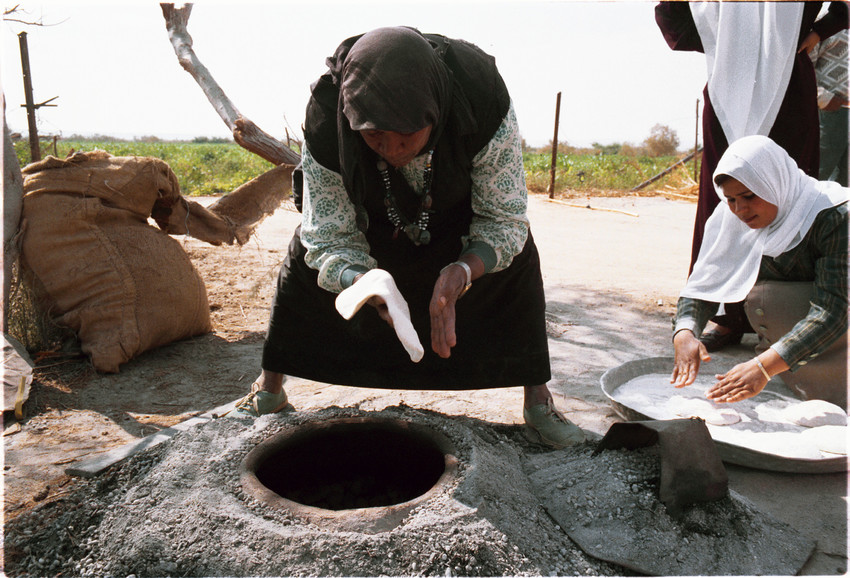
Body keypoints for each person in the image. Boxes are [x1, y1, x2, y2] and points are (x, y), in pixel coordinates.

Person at [226, 27, 585, 448]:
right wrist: (360, 281)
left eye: (406, 136)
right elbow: (329, 230)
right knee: (302, 257)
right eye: (375, 136)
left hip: (459, 226)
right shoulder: (328, 117)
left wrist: (464, 270)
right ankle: (268, 390)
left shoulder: (480, 96)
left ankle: (539, 403)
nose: (393, 150)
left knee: (519, 257)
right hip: (369, 226)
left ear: (434, 112)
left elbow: (503, 218)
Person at [655, 1, 848, 352]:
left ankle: (792, 313)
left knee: (789, 202)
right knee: (727, 204)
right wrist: (725, 39)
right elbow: (675, 23)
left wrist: (818, 31)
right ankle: (725, 315)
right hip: (729, 94)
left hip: (788, 92)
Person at [671, 135, 849, 410]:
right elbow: (704, 284)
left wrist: (764, 367)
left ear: (774, 182)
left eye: (749, 196)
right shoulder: (730, 219)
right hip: (779, 367)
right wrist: (685, 332)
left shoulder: (833, 216)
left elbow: (834, 310)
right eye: (730, 199)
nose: (740, 210)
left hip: (838, 363)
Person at [811, 28, 849, 186]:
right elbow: (802, 65)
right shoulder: (825, 18)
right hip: (829, 114)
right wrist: (824, 98)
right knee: (818, 177)